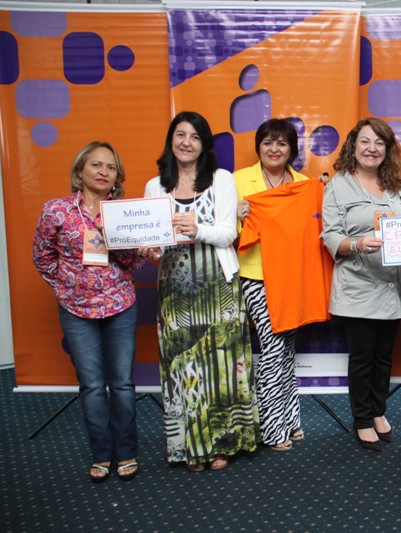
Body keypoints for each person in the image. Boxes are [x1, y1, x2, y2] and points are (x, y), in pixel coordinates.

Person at [143, 111, 258, 471]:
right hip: (175, 288)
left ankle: (221, 442)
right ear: (171, 140)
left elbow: (228, 233)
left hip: (218, 284)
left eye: (194, 136)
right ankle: (191, 446)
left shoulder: (221, 180)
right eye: (180, 134)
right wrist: (149, 249)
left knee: (220, 364)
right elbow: (155, 241)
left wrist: (197, 230)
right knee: (183, 365)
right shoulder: (154, 186)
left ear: (204, 144)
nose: (186, 142)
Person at [33, 142, 145, 483]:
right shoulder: (55, 211)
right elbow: (42, 256)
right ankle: (101, 454)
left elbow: (133, 263)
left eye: (110, 167)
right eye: (96, 164)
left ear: (117, 176)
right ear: (80, 170)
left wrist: (137, 249)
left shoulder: (123, 212)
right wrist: (65, 285)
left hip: (119, 304)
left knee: (122, 384)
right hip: (76, 309)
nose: (103, 172)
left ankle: (125, 452)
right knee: (93, 385)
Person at [320, 117, 401, 452]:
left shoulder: (395, 187)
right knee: (362, 357)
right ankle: (362, 419)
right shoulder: (338, 186)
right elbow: (330, 236)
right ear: (353, 146)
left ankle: (378, 410)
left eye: (379, 143)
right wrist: (356, 244)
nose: (372, 148)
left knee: (384, 356)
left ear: (387, 150)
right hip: (357, 285)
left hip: (391, 286)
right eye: (365, 142)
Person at [234, 119, 309, 452]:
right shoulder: (238, 181)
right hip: (256, 275)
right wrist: (237, 217)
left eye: (281, 143)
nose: (274, 149)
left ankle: (290, 419)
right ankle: (272, 427)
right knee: (274, 347)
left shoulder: (303, 185)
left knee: (287, 349)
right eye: (267, 142)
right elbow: (223, 230)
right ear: (258, 147)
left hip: (292, 276)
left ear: (291, 149)